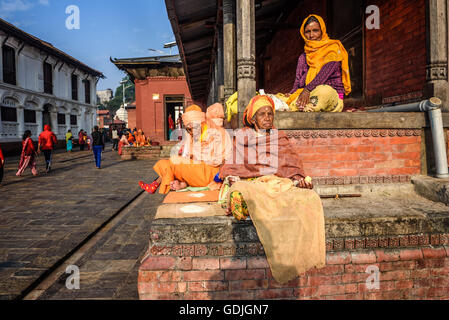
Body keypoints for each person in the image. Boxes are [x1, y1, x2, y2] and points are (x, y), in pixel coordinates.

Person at [219, 95, 325, 284]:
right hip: (251, 183)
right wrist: (235, 177)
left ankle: (250, 205)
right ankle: (245, 202)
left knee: (309, 198)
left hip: (276, 183)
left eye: (270, 114)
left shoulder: (280, 138)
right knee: (241, 190)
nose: (267, 117)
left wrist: (300, 181)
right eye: (262, 114)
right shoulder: (243, 137)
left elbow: (291, 166)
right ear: (252, 118)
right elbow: (233, 166)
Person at [140, 105, 232, 194]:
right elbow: (188, 156)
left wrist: (219, 175)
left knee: (173, 163)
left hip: (213, 174)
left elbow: (228, 158)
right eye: (188, 129)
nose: (191, 131)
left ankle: (157, 184)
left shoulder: (220, 133)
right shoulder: (192, 135)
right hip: (198, 170)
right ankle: (179, 183)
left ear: (201, 122)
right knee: (170, 163)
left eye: (194, 127)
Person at [288, 14, 351, 112]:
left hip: (330, 95)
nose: (311, 35)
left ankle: (302, 107)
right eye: (307, 32)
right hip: (309, 95)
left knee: (324, 91)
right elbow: (297, 81)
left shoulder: (333, 49)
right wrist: (291, 93)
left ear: (322, 31)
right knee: (283, 99)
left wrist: (307, 89)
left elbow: (324, 74)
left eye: (315, 30)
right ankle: (301, 106)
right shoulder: (303, 57)